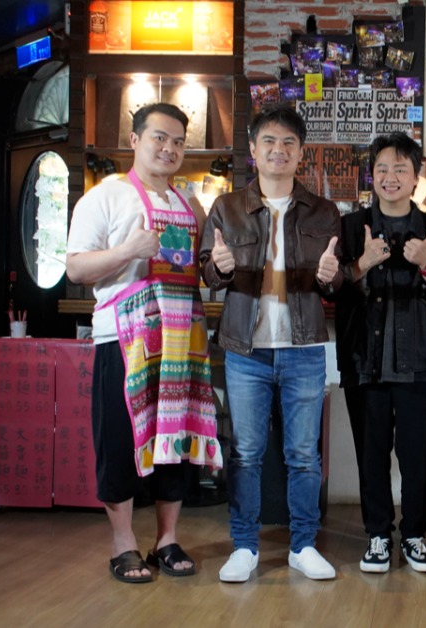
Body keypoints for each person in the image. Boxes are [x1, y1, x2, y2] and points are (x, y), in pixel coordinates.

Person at [65, 103, 222, 584]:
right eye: (159, 137)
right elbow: (76, 268)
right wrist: (128, 251)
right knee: (119, 437)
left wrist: (218, 262)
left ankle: (167, 540)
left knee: (176, 436)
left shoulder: (191, 206)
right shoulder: (104, 197)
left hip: (181, 338)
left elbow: (204, 269)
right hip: (124, 337)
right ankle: (123, 543)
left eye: (178, 142)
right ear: (134, 140)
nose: (169, 148)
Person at [200, 105, 344, 583]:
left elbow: (334, 282)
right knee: (245, 452)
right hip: (246, 350)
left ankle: (304, 545)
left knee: (303, 454)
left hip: (303, 348)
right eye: (269, 141)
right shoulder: (226, 208)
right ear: (253, 149)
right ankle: (244, 546)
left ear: (300, 153)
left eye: (288, 143)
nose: (278, 150)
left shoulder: (323, 212)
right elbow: (208, 272)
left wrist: (331, 276)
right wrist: (219, 267)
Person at [334, 133, 426, 574]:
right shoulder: (349, 227)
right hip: (364, 357)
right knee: (371, 452)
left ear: (416, 178)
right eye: (382, 168)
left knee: (417, 453)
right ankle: (378, 535)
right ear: (372, 175)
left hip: (418, 358)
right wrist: (361, 264)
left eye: (401, 169)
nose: (390, 177)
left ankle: (416, 535)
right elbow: (331, 288)